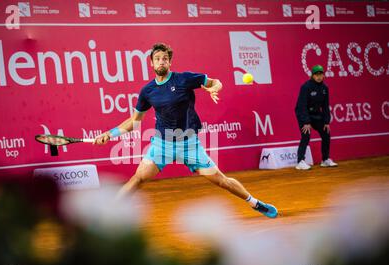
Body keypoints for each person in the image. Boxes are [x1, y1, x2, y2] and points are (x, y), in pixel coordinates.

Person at [94, 43, 278, 218]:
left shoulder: (184, 79)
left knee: (221, 180)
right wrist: (109, 134)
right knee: (138, 179)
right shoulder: (147, 91)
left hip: (189, 144)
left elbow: (216, 82)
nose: (161, 62)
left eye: (165, 58)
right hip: (162, 144)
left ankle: (255, 202)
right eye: (157, 59)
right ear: (151, 63)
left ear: (170, 62)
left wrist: (213, 89)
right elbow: (134, 121)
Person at [295, 65, 338, 170]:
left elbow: (325, 106)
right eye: (316, 74)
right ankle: (300, 161)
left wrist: (326, 121)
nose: (319, 77)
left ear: (323, 75)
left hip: (316, 114)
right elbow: (302, 105)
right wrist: (306, 122)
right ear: (312, 76)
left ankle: (325, 159)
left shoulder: (325, 88)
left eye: (321, 74)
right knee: (306, 134)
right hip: (303, 113)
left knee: (326, 133)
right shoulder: (306, 87)